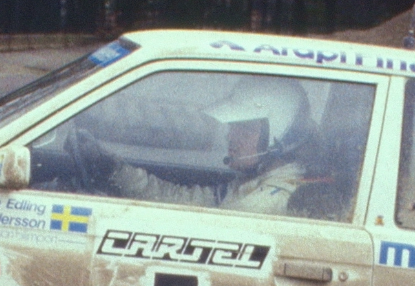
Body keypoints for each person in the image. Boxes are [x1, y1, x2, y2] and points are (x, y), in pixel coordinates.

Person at [67, 76, 316, 214]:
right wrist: (115, 169)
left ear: (279, 137)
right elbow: (183, 200)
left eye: (246, 128)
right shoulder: (252, 184)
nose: (231, 136)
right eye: (233, 126)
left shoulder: (265, 201)